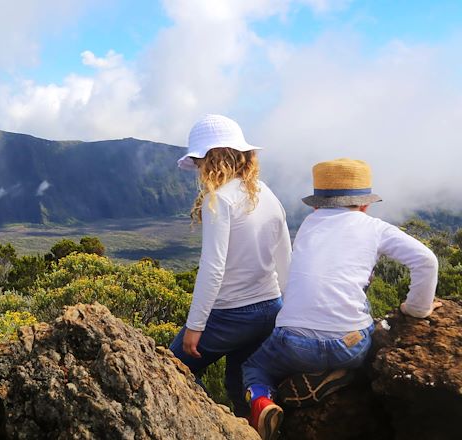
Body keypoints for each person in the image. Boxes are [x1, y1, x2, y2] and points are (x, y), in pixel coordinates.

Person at [241, 158, 440, 440]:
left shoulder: (309, 224)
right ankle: (341, 372)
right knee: (362, 314)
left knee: (255, 367)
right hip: (350, 345)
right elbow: (427, 261)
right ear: (366, 203)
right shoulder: (374, 227)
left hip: (293, 343)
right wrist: (417, 309)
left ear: (315, 204)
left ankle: (262, 400)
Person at [170, 114, 291, 417]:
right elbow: (284, 256)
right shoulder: (266, 192)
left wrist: (196, 326)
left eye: (199, 161)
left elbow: (213, 267)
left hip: (231, 315)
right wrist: (288, 309)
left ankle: (204, 426)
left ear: (210, 160)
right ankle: (253, 421)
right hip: (271, 307)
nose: (197, 169)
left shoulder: (219, 200)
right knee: (240, 383)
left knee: (169, 369)